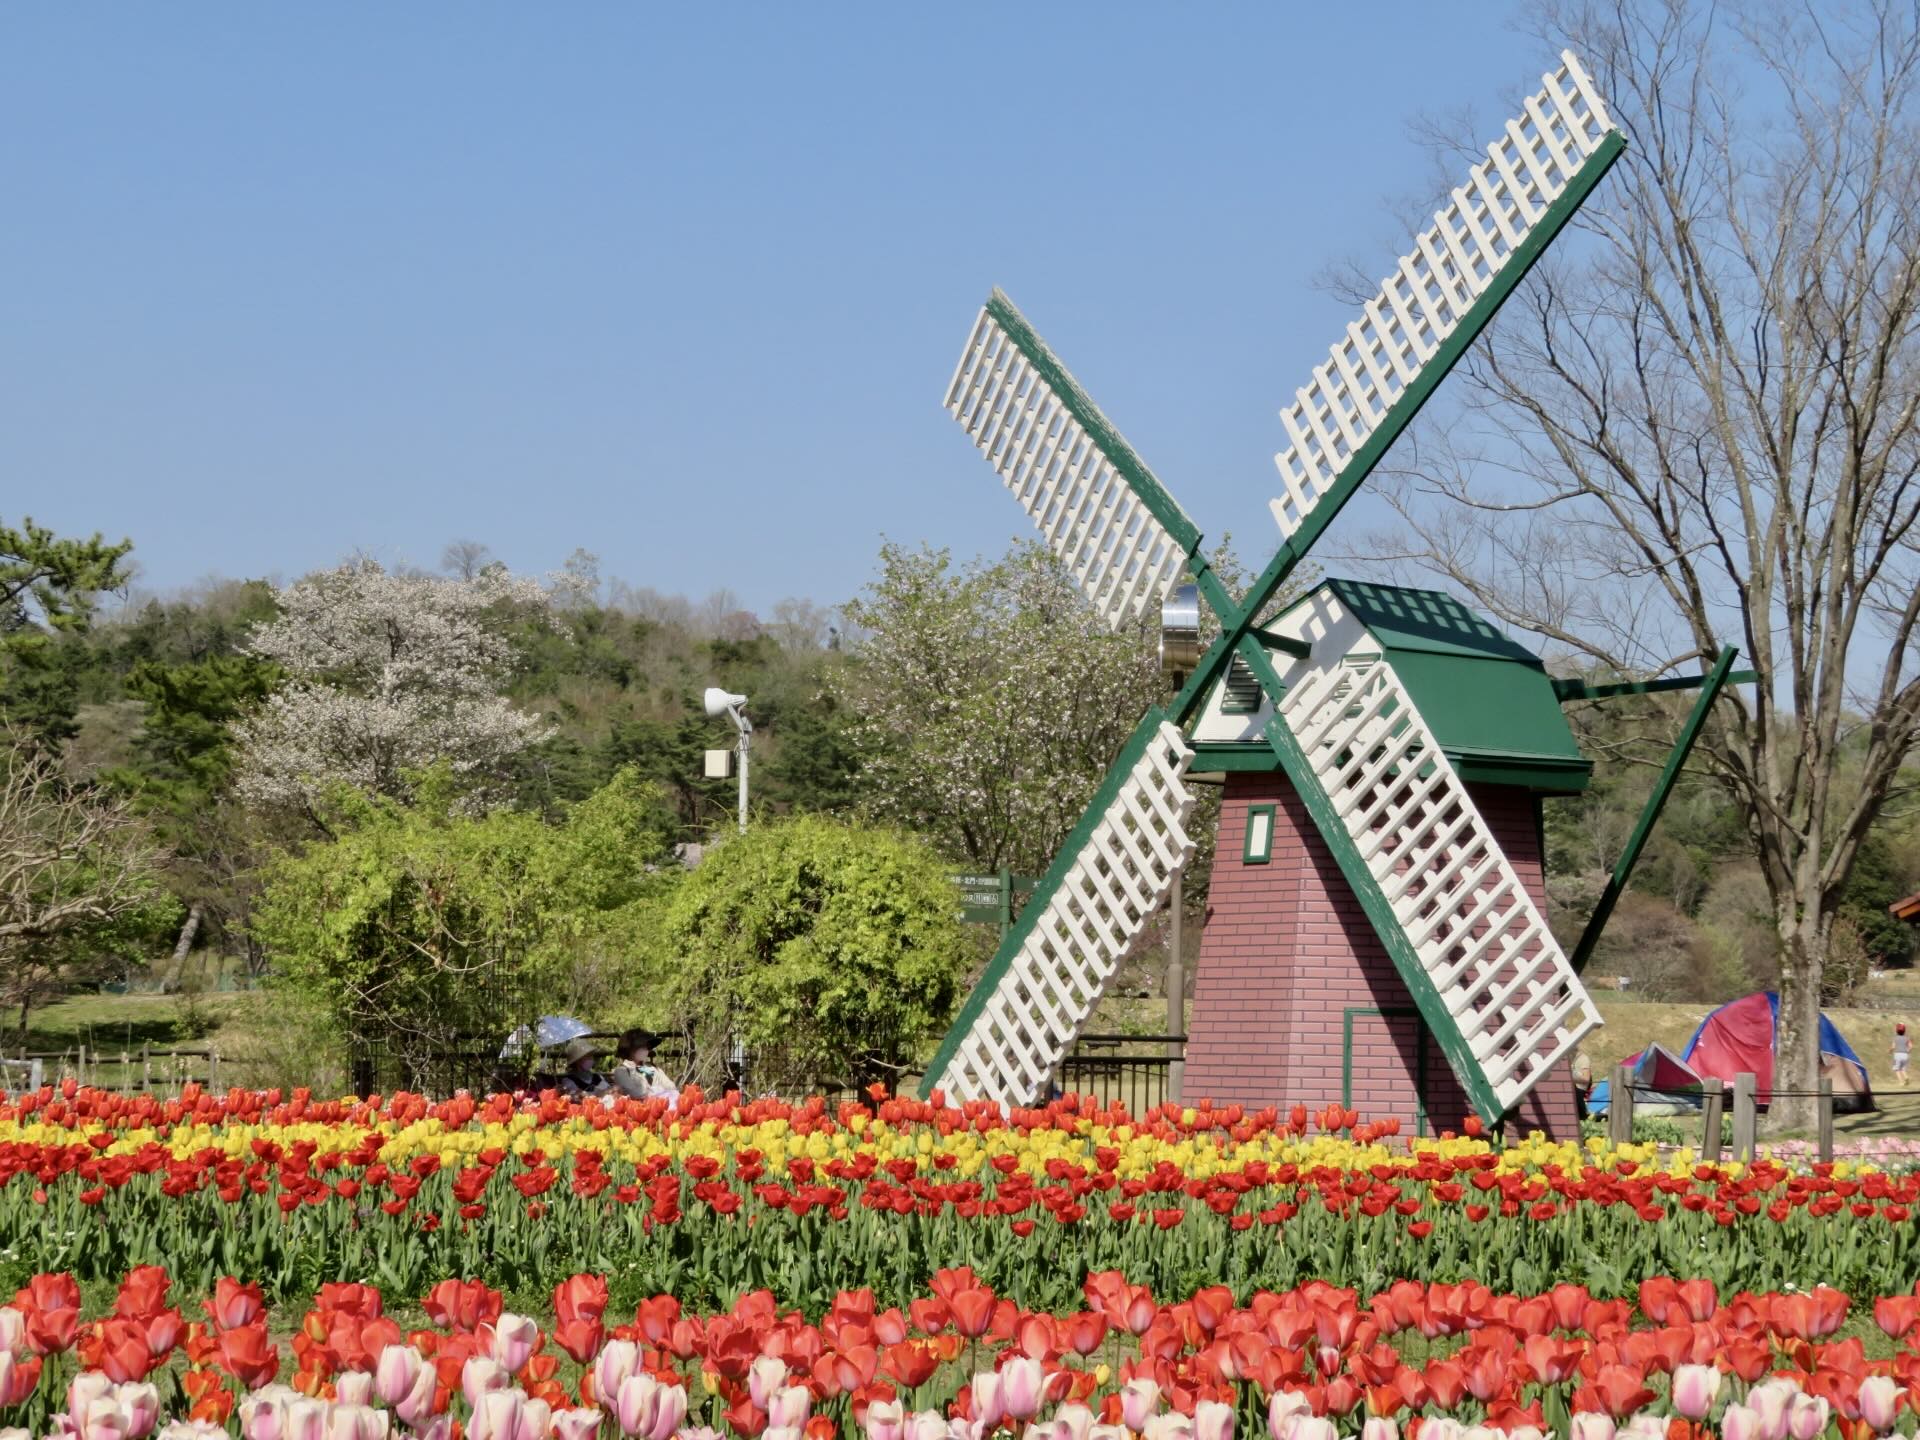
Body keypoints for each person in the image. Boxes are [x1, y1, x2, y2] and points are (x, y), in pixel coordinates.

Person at [609, 1028, 679, 1106]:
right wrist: (656, 1090)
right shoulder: (622, 1071)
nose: (646, 1050)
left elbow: (671, 1086)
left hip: (662, 1106)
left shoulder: (653, 1068)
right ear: (630, 1049)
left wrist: (656, 1091)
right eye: (642, 1047)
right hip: (637, 1110)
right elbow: (637, 1093)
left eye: (647, 1047)